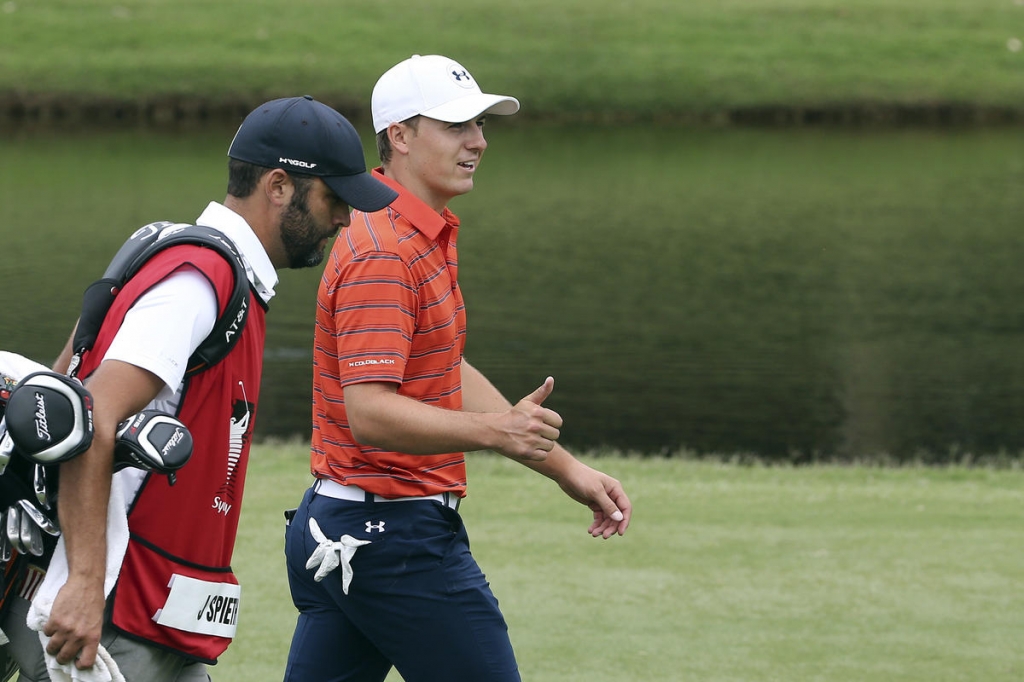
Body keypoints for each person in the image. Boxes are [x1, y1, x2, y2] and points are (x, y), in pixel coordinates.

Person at [5, 96, 397, 682]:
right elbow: (87, 414)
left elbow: (66, 378)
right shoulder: (201, 279)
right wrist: (83, 584)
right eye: (333, 199)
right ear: (279, 186)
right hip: (110, 614)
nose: (343, 219)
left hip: (149, 615)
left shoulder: (207, 267)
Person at [283, 55, 633, 682]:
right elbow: (370, 412)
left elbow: (443, 365)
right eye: (455, 125)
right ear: (400, 136)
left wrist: (563, 467)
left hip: (352, 530)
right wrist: (498, 434)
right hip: (390, 538)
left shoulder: (418, 232)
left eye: (478, 123)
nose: (478, 141)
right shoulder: (386, 250)